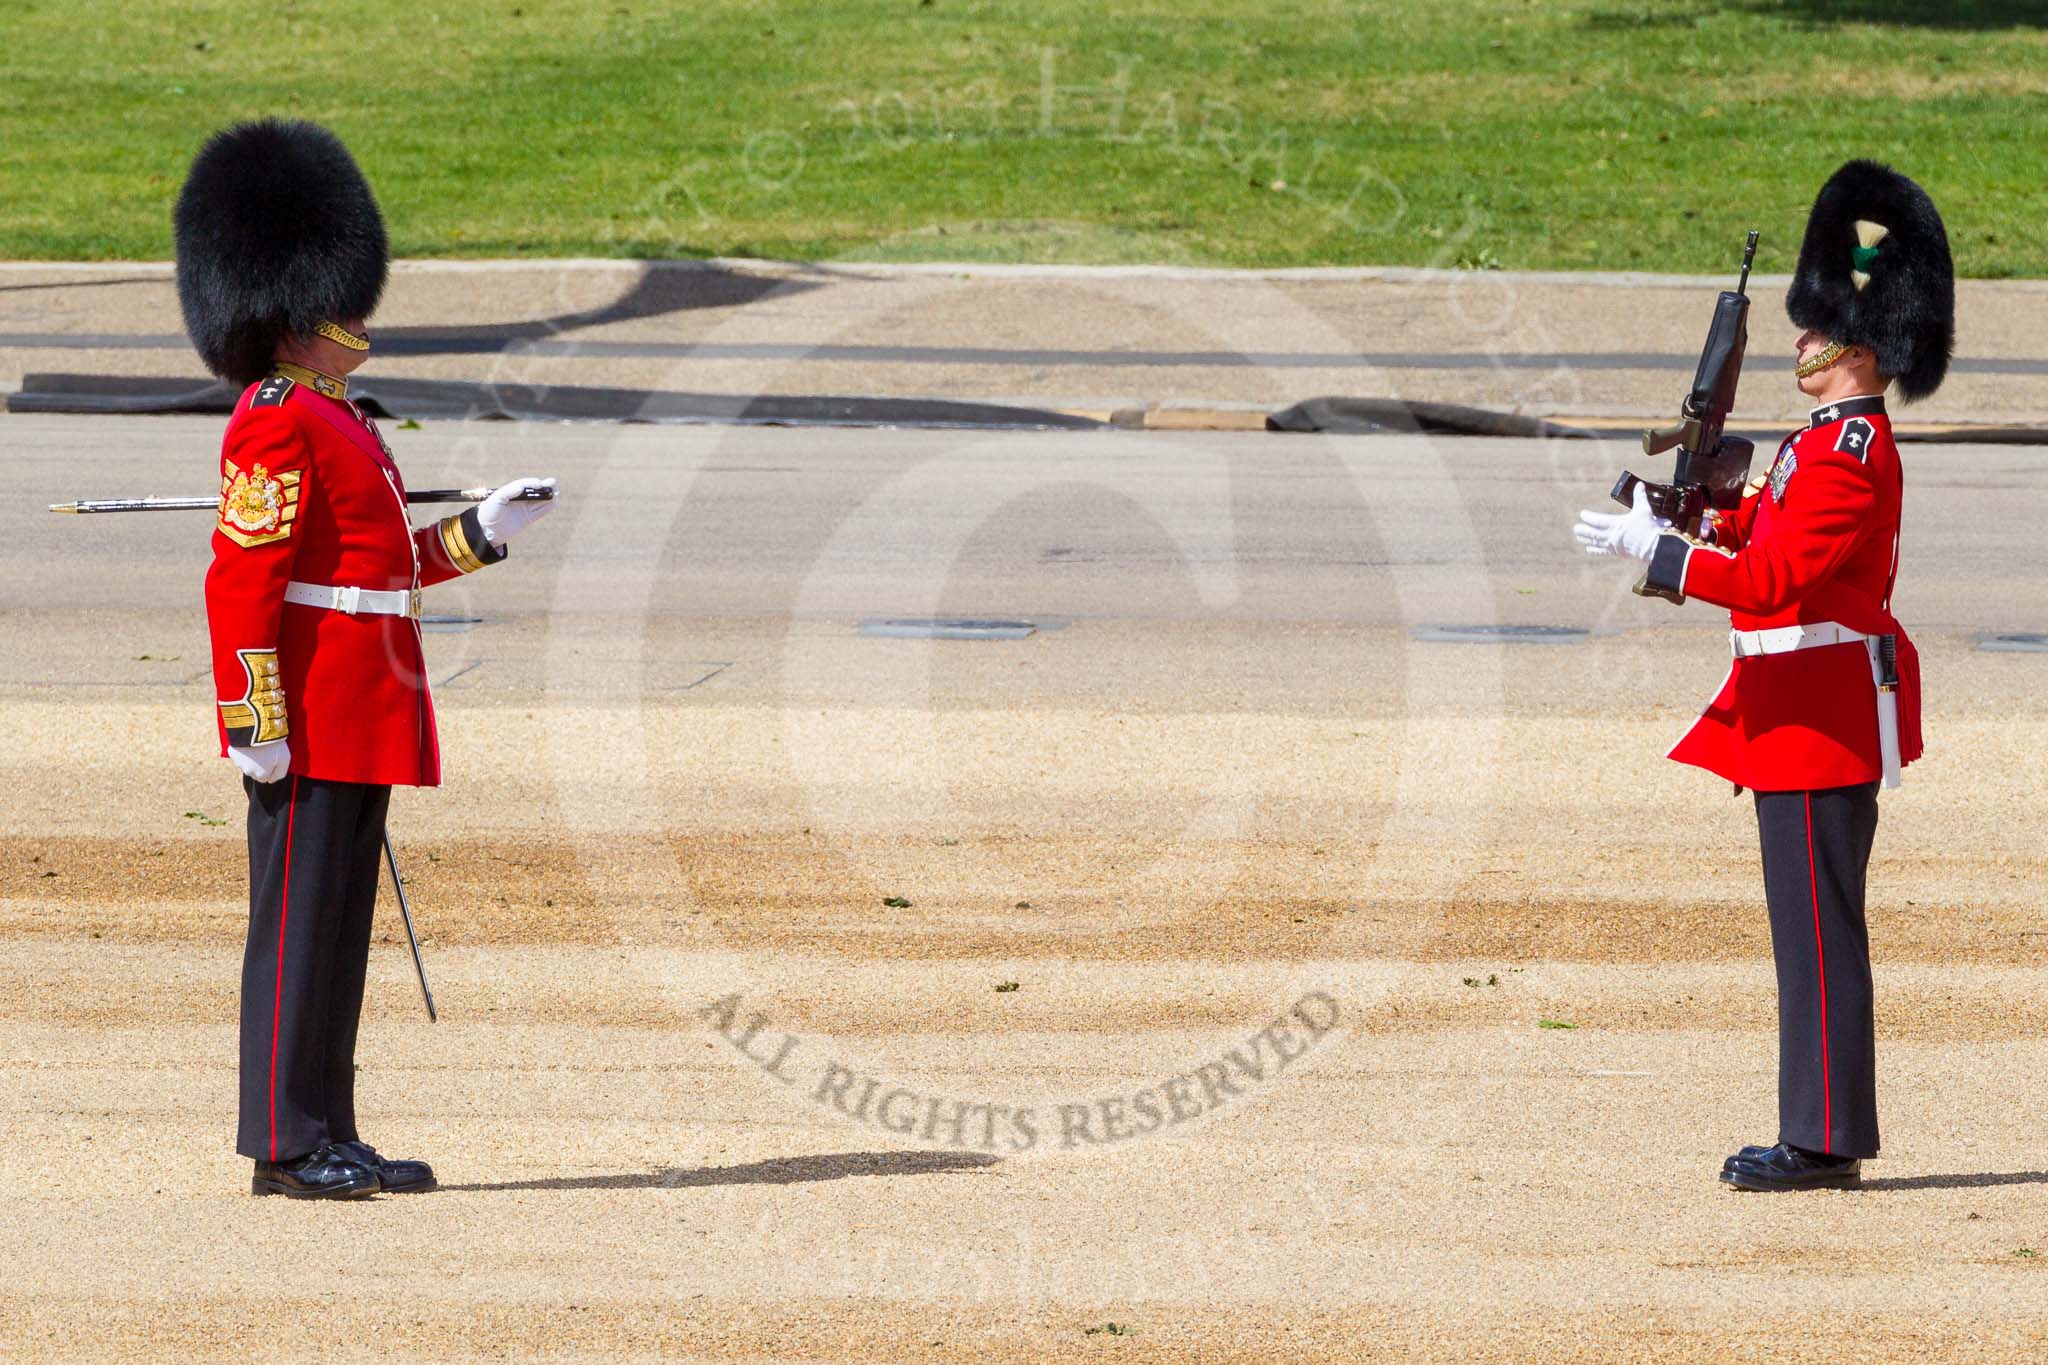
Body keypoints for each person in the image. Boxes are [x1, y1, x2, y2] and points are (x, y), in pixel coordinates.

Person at [175, 119, 559, 1198]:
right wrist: (254, 720)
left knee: (335, 936)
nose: (359, 323)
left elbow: (382, 568)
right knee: (298, 934)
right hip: (310, 706)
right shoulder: (274, 419)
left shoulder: (341, 419)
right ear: (292, 316)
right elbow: (241, 580)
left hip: (366, 698)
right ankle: (284, 1145)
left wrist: (485, 531)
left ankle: (327, 1126)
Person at [1574, 160, 1953, 1191]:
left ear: (1856, 346)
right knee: (1805, 937)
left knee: (1818, 941)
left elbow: (1778, 577)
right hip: (1795, 715)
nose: (1799, 341)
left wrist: (1654, 558)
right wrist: (1685, 513)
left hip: (1819, 724)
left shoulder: (1847, 452)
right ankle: (1814, 1125)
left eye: (1813, 327)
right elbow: (1765, 528)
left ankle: (1823, 1141)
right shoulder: (1822, 442)